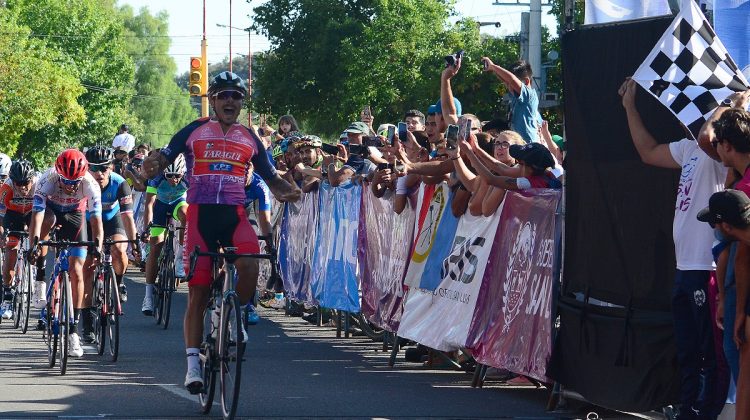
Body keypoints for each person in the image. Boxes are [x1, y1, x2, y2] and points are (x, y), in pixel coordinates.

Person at [142, 71, 301, 393]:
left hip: (234, 215)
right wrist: (152, 164)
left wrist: (291, 191)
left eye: (236, 95)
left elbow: (271, 177)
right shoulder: (194, 130)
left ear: (242, 102)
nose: (230, 100)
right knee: (198, 292)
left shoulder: (249, 137)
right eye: (224, 95)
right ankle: (191, 367)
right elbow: (164, 158)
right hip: (200, 216)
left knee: (249, 265)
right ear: (212, 99)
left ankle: (236, 313)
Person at [619, 78, 726, 419]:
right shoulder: (687, 147)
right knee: (687, 348)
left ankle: (705, 411)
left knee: (710, 350)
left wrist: (724, 105)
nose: (681, 117)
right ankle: (689, 408)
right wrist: (630, 108)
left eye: (690, 109)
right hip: (685, 267)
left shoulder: (717, 149)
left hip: (707, 267)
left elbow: (709, 136)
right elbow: (648, 152)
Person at [30, 149, 103, 358]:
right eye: (66, 182)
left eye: (75, 183)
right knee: (45, 223)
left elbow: (96, 221)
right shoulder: (47, 180)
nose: (70, 187)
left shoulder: (90, 184)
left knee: (77, 271)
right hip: (51, 212)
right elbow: (37, 214)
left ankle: (73, 331)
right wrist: (33, 244)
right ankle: (41, 277)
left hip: (75, 214)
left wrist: (97, 246)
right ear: (58, 175)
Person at [79, 146, 139, 342]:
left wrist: (135, 242)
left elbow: (128, 217)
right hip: (89, 222)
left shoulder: (120, 184)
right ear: (87, 169)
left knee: (119, 249)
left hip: (113, 221)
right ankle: (87, 322)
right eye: (94, 168)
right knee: (87, 268)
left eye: (104, 168)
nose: (99, 173)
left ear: (112, 167)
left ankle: (118, 283)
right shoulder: (83, 184)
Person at [140, 154, 189, 316]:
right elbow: (149, 204)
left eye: (177, 176)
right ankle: (148, 296)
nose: (174, 180)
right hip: (160, 206)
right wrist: (147, 227)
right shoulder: (157, 177)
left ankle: (180, 258)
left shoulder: (189, 176)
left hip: (178, 202)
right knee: (155, 248)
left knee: (186, 215)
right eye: (170, 176)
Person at [0, 160, 36, 319]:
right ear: (12, 180)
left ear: (31, 179)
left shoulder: (38, 186)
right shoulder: (6, 188)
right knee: (11, 249)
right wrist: (2, 233)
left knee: (38, 244)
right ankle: (7, 294)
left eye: (25, 182)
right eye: (18, 183)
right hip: (11, 216)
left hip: (32, 214)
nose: (22, 187)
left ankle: (37, 277)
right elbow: (0, 216)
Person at [482, 57, 540, 143]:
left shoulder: (529, 95)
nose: (508, 86)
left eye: (511, 85)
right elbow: (507, 80)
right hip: (517, 142)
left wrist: (494, 66)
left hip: (528, 143)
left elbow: (511, 80)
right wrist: (494, 70)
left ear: (527, 82)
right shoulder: (515, 96)